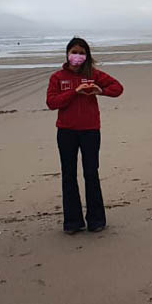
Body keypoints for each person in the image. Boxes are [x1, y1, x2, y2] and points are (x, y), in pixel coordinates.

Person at [46, 37, 123, 234]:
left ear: (86, 55)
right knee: (68, 175)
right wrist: (75, 92)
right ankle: (72, 221)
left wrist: (100, 91)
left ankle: (96, 220)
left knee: (91, 173)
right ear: (67, 54)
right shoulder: (57, 77)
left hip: (90, 130)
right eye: (74, 52)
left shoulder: (93, 74)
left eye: (81, 53)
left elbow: (117, 88)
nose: (77, 56)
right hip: (66, 131)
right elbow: (52, 102)